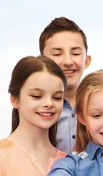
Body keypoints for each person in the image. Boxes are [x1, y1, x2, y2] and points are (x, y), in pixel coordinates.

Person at [40, 17, 92, 153]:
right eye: (57, 53)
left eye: (75, 53)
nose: (68, 61)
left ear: (87, 60)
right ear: (42, 61)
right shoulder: (36, 109)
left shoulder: (101, 103)